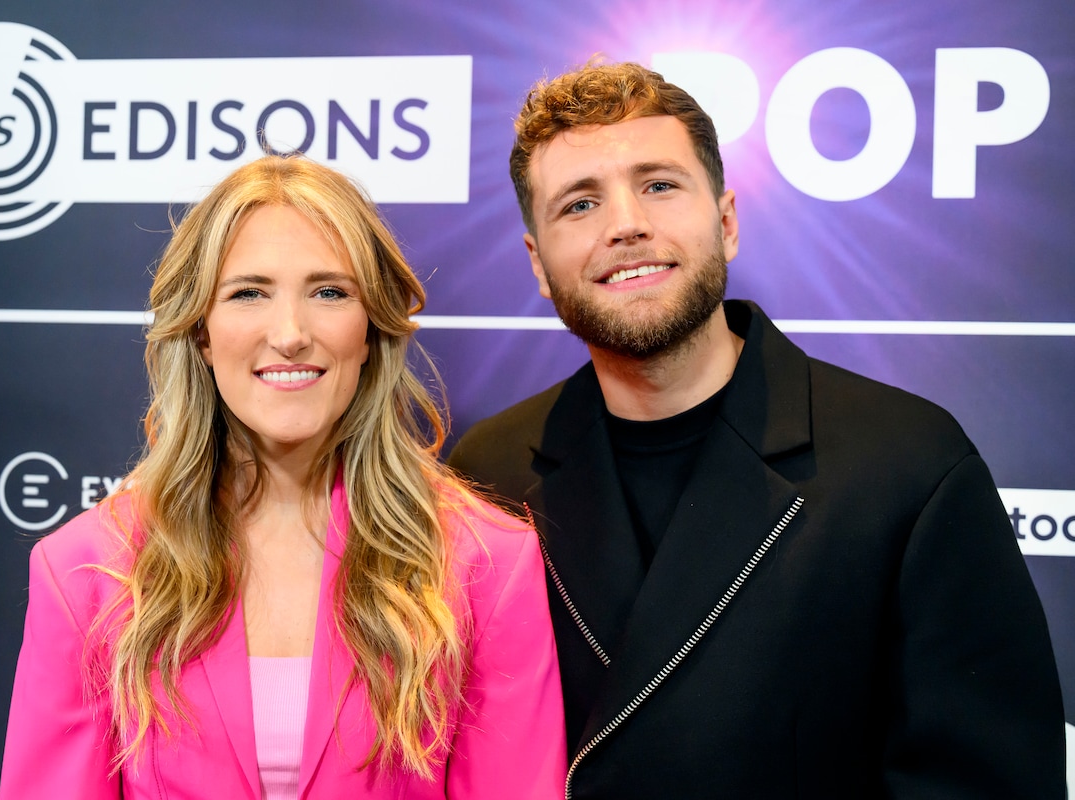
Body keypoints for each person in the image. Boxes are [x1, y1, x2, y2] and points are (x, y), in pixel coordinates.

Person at [448, 61, 1065, 798]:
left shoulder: (908, 464)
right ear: (538, 265)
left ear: (728, 221)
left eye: (659, 185)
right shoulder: (487, 475)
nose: (625, 224)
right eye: (580, 204)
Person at [0, 154, 565, 799]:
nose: (291, 333)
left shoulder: (486, 564)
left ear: (370, 330)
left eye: (329, 292)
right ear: (202, 332)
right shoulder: (86, 573)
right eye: (249, 293)